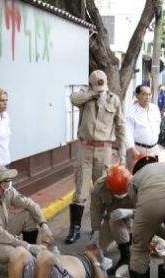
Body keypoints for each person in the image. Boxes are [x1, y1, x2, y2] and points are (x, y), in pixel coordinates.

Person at [65, 70, 126, 244]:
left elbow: (121, 127)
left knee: (103, 191)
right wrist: (92, 93)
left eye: (102, 86)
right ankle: (74, 229)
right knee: (81, 191)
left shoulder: (113, 100)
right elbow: (73, 99)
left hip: (104, 150)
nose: (101, 90)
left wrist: (121, 155)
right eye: (97, 85)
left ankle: (98, 228)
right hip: (85, 148)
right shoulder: (85, 98)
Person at [0, 165, 54, 276]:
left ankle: (29, 258)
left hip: (3, 227)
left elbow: (30, 204)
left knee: (29, 215)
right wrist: (26, 245)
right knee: (12, 253)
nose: (11, 182)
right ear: (1, 184)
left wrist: (44, 225)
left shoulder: (7, 191)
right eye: (8, 180)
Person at [88, 165, 135, 274]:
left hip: (136, 218)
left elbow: (146, 210)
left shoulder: (137, 184)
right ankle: (125, 239)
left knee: (115, 221)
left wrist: (130, 212)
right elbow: (96, 210)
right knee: (99, 248)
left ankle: (126, 258)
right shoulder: (99, 187)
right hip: (113, 217)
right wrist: (96, 231)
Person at [125, 85, 162, 167]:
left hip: (154, 150)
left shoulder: (155, 109)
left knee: (152, 177)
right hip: (138, 150)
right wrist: (133, 151)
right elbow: (127, 134)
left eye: (149, 94)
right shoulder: (131, 113)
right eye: (144, 94)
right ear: (137, 96)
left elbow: (157, 127)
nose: (147, 97)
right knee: (137, 178)